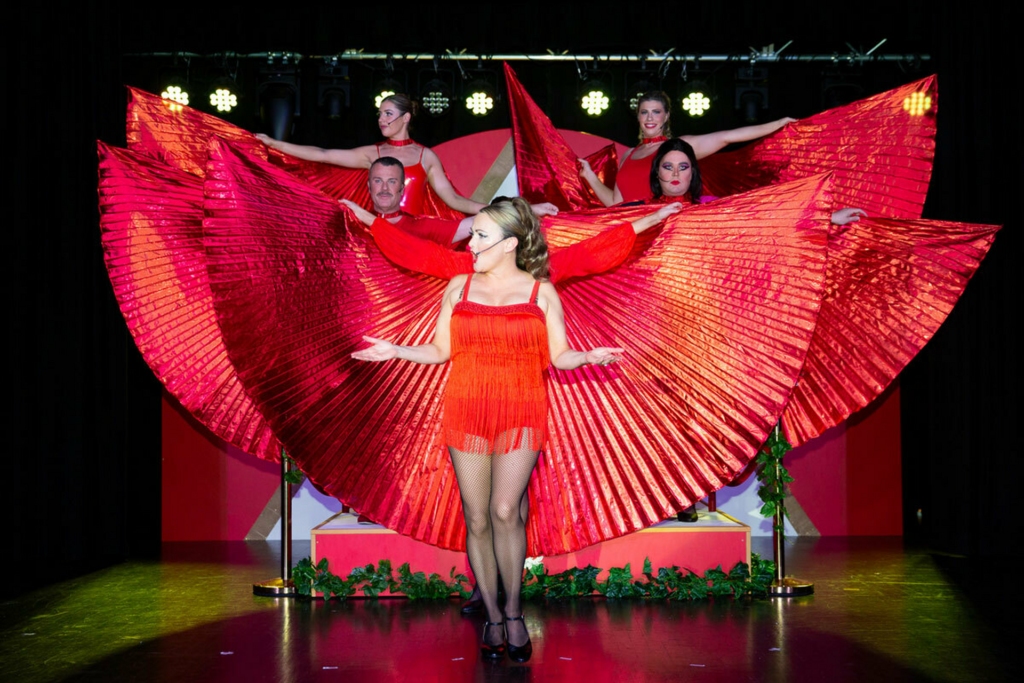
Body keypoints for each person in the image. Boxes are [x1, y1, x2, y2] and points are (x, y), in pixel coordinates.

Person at [349, 197, 679, 661]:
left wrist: (585, 357)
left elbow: (559, 354)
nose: (470, 242)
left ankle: (513, 611)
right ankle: (491, 615)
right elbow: (441, 350)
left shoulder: (540, 291)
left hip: (522, 409)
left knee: (505, 510)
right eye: (472, 234)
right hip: (466, 408)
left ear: (509, 243)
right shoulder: (459, 285)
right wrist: (397, 350)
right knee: (477, 517)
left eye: (480, 235)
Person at [257, 93, 536, 217]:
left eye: (388, 114)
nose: (381, 119)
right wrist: (274, 144)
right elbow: (322, 154)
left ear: (406, 118)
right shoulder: (373, 153)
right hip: (376, 234)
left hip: (413, 239)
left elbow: (455, 201)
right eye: (379, 114)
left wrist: (519, 210)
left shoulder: (425, 156)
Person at [578, 91, 796, 205]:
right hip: (630, 234)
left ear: (666, 116)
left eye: (656, 112)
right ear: (638, 117)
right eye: (644, 112)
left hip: (659, 234)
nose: (650, 118)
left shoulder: (678, 148)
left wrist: (778, 124)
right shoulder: (628, 155)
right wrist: (589, 176)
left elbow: (727, 137)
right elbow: (615, 204)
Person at [345, 156, 557, 245]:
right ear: (368, 186)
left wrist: (526, 209)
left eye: (391, 182)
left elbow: (481, 220)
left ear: (401, 188)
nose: (384, 188)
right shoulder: (349, 222)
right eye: (378, 181)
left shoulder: (420, 227)